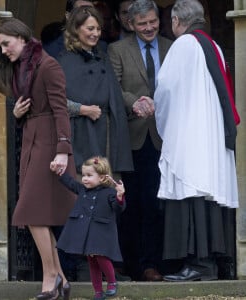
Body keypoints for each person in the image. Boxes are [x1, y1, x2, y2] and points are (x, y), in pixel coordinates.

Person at [0, 18, 76, 300]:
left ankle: (51, 276)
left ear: (21, 37)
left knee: (32, 213)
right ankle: (60, 278)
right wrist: (16, 114)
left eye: (6, 44)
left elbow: (61, 110)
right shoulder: (21, 69)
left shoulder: (48, 66)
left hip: (49, 143)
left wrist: (63, 149)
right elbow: (27, 108)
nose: (3, 51)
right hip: (32, 140)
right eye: (0, 46)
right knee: (36, 214)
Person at [154, 0, 239, 281]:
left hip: (191, 133)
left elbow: (165, 89)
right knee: (208, 193)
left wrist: (164, 123)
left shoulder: (184, 44)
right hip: (210, 132)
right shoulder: (211, 45)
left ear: (177, 21)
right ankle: (213, 264)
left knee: (192, 189)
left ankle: (199, 265)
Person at [107, 0, 172, 281]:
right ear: (130, 24)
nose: (148, 28)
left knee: (158, 202)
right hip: (134, 136)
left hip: (168, 136)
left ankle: (152, 264)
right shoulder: (117, 50)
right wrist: (136, 103)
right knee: (132, 203)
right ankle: (132, 263)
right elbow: (114, 87)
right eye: (142, 23)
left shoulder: (173, 47)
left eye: (152, 21)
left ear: (159, 19)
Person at [57, 6, 133, 175]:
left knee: (108, 186)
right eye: (90, 28)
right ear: (76, 29)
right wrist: (83, 110)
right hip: (81, 134)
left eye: (98, 29)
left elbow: (115, 94)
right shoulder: (65, 60)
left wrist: (135, 103)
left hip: (106, 131)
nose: (96, 33)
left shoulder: (102, 57)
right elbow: (56, 101)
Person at [50, 156, 126, 300]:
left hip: (101, 232)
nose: (84, 179)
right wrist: (59, 171)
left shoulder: (110, 193)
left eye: (89, 175)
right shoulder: (83, 189)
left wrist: (120, 195)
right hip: (88, 232)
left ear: (102, 177)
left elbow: (118, 208)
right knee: (92, 262)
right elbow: (70, 183)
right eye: (84, 175)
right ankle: (98, 292)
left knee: (101, 257)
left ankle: (112, 282)